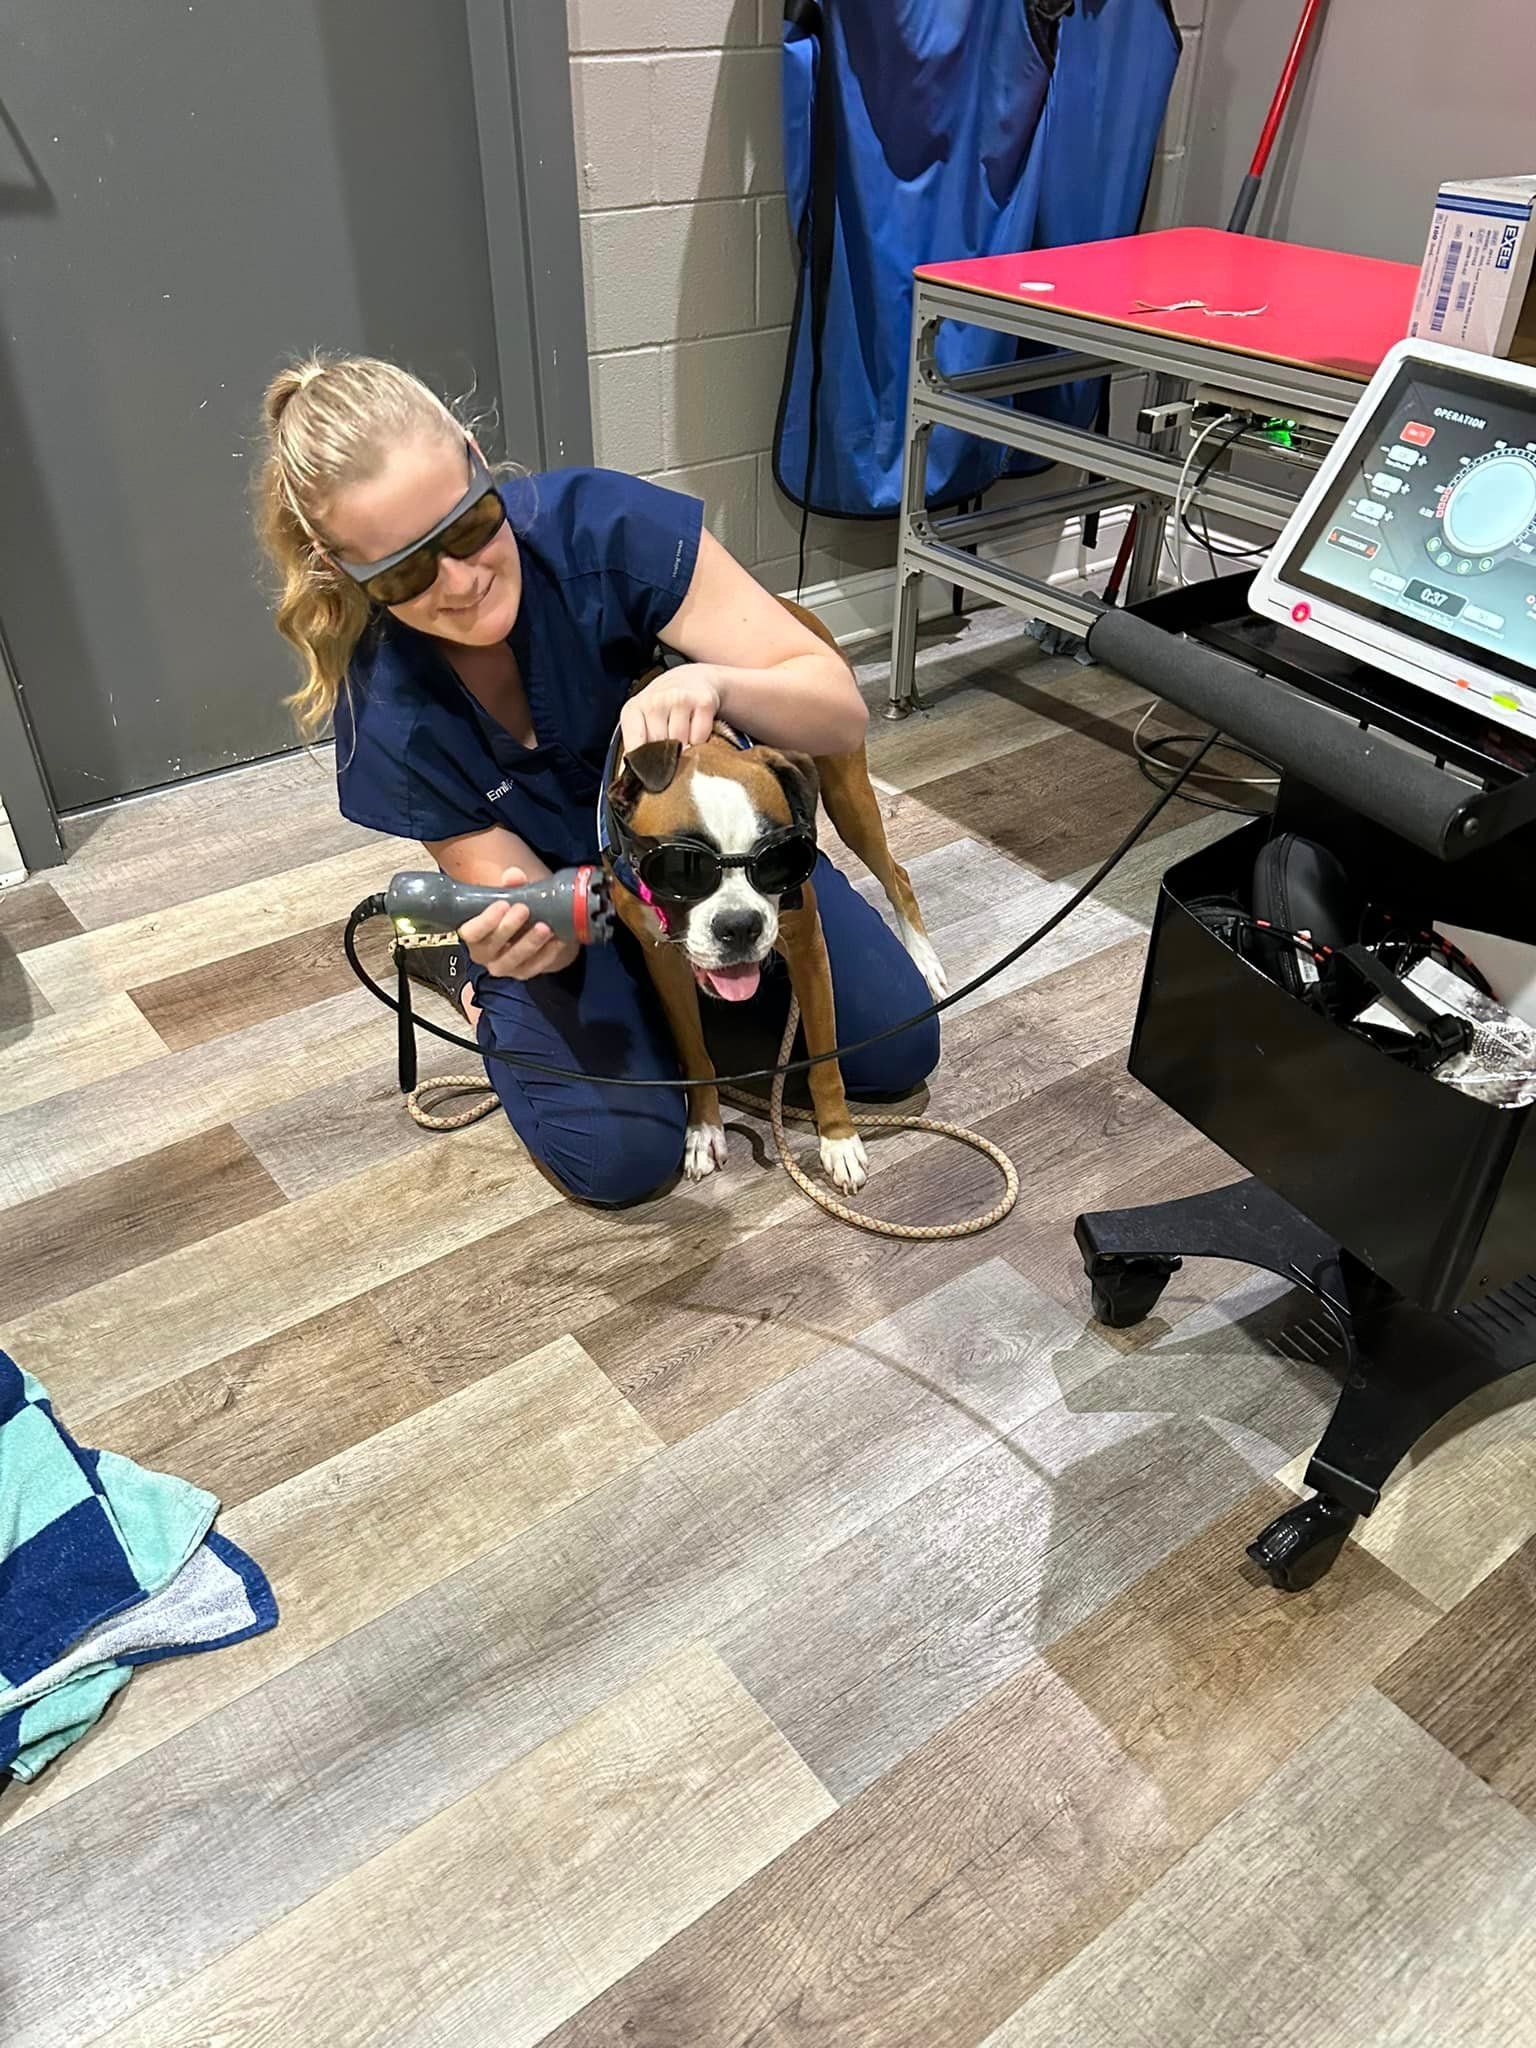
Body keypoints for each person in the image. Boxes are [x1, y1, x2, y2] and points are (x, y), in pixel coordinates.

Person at [255, 354, 939, 1206]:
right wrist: (523, 930)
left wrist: (716, 683)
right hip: (576, 895)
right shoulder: (391, 705)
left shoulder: (610, 530)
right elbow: (509, 883)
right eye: (404, 572)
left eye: (469, 527)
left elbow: (838, 715)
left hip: (707, 867)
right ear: (337, 563)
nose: (460, 582)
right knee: (619, 1158)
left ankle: (675, 994)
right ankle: (465, 976)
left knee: (895, 1051)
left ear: (475, 458)